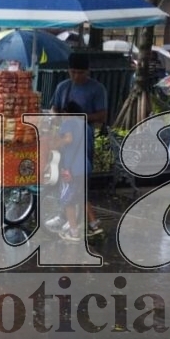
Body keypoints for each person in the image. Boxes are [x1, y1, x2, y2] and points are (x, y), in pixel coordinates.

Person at [48, 62, 108, 236]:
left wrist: (55, 142)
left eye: (80, 72)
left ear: (88, 71)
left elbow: (102, 115)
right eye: (73, 71)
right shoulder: (63, 87)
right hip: (76, 159)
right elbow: (55, 109)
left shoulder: (97, 89)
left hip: (77, 158)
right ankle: (91, 223)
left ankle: (73, 228)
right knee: (78, 192)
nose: (76, 76)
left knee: (69, 193)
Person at [54, 101, 92, 242]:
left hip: (72, 168)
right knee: (79, 197)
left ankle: (73, 232)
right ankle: (91, 225)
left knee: (68, 200)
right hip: (85, 166)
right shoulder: (86, 125)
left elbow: (68, 139)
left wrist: (56, 143)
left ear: (66, 113)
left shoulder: (68, 122)